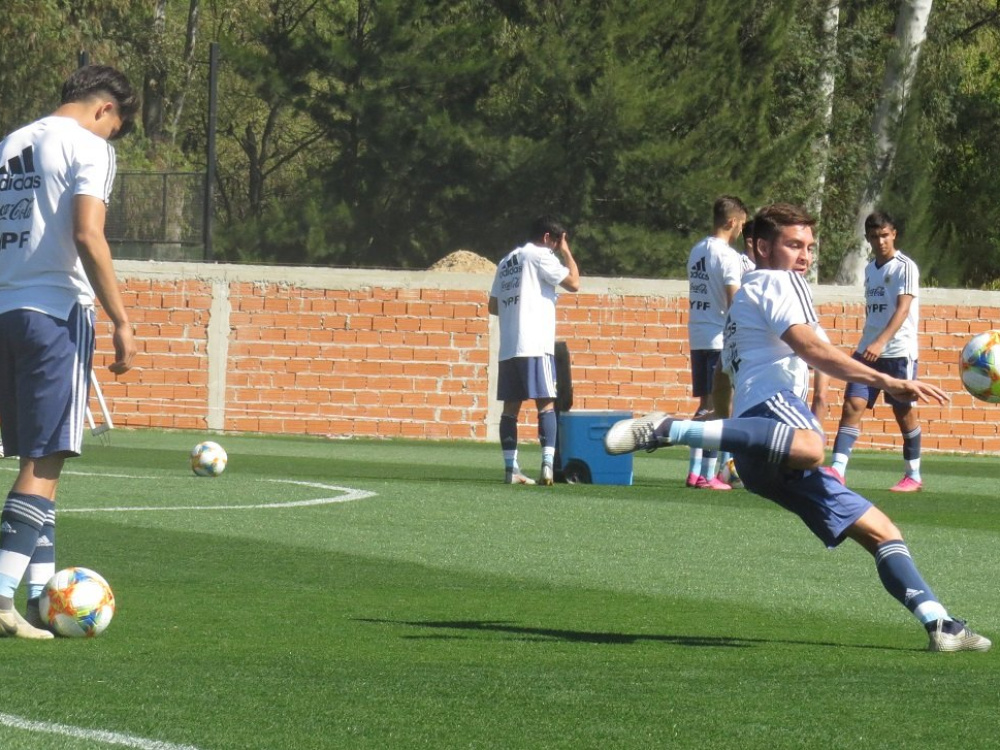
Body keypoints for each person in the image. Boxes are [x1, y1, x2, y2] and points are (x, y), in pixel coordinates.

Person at [605, 203, 990, 652]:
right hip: (773, 414)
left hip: (758, 446)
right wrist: (887, 380)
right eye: (793, 245)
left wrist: (724, 434)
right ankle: (669, 429)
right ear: (760, 247)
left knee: (882, 531)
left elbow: (724, 378)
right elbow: (809, 347)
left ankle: (940, 624)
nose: (804, 255)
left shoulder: (742, 305)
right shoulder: (780, 281)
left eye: (809, 246)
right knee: (811, 447)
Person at [0, 65, 139, 638]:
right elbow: (87, 233)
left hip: (5, 309)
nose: (111, 138)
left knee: (37, 461)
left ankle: (40, 598)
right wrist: (122, 319)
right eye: (115, 128)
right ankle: (0, 598)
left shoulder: (13, 141)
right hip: (55, 312)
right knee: (47, 459)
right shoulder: (89, 146)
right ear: (106, 110)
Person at [830, 211, 923, 491]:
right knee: (852, 404)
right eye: (874, 236)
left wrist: (880, 342)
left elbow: (903, 309)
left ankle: (913, 475)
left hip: (897, 351)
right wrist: (870, 341)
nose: (880, 241)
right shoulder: (870, 269)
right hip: (867, 352)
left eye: (884, 235)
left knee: (903, 412)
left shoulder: (905, 267)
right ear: (868, 238)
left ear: (894, 234)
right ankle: (837, 470)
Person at [488, 216, 580, 486]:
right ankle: (547, 466)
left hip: (510, 346)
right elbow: (574, 283)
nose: (557, 248)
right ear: (548, 238)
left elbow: (493, 306)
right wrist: (567, 252)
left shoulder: (506, 261)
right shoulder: (540, 255)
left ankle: (511, 469)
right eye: (557, 242)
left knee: (510, 408)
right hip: (536, 343)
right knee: (546, 402)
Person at [685, 195, 748, 490]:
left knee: (705, 405)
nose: (741, 231)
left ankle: (694, 470)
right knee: (721, 408)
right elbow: (734, 300)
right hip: (719, 337)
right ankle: (710, 474)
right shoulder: (728, 256)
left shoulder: (696, 250)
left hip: (698, 335)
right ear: (732, 222)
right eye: (741, 225)